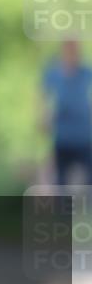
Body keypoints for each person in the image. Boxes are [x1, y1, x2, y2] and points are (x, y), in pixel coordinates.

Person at [40, 40, 92, 186]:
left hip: (84, 135)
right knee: (61, 177)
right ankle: (62, 207)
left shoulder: (86, 73)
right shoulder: (53, 74)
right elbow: (43, 96)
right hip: (62, 135)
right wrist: (43, 118)